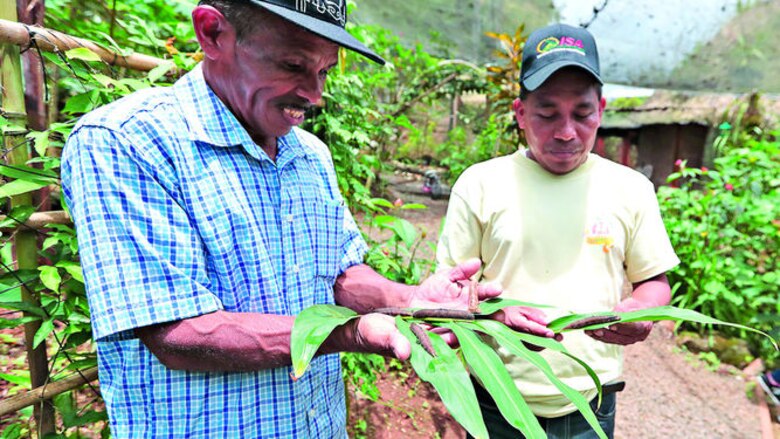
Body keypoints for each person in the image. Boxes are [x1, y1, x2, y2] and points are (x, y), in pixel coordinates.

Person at [60, 1, 554, 437]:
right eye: (293, 64)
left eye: (324, 71)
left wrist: (412, 301)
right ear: (212, 33)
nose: (313, 94)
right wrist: (350, 333)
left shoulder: (309, 155)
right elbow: (177, 333)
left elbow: (340, 274)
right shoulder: (125, 143)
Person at [436, 23, 680, 438]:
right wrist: (495, 317)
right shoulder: (479, 184)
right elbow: (448, 296)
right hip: (496, 399)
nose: (566, 132)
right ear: (520, 113)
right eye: (547, 114)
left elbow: (653, 281)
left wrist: (642, 312)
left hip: (590, 402)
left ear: (601, 110)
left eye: (582, 115)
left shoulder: (630, 189)